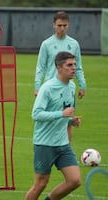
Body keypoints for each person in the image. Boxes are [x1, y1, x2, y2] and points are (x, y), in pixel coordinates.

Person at [25, 52, 82, 200]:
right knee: (40, 184)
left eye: (74, 64)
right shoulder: (47, 88)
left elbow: (65, 112)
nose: (74, 68)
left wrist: (71, 121)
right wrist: (61, 114)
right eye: (69, 65)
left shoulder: (71, 86)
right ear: (58, 67)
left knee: (75, 180)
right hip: (45, 144)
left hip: (62, 144)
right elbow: (36, 114)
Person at [34, 11, 87, 142]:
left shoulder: (74, 44)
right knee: (50, 121)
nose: (62, 28)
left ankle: (65, 155)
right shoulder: (46, 44)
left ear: (68, 26)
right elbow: (40, 67)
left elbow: (78, 66)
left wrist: (82, 84)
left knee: (67, 123)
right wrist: (37, 87)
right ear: (54, 25)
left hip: (67, 88)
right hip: (51, 89)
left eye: (65, 25)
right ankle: (45, 148)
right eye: (59, 25)